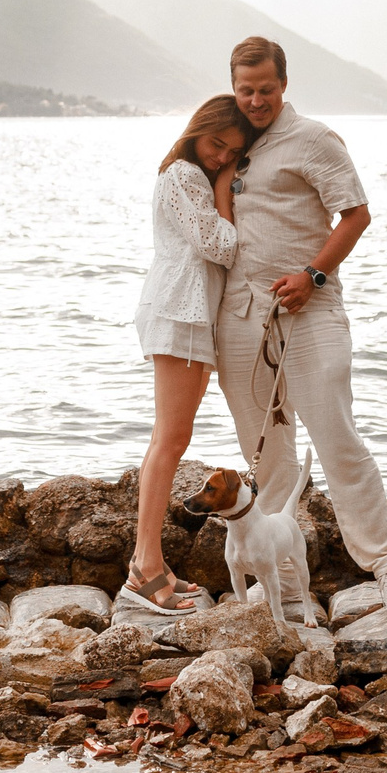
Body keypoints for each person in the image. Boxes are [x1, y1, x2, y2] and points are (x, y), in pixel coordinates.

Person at [213, 35, 387, 616]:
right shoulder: (230, 142)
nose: (255, 100)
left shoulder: (314, 138)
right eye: (245, 89)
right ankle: (280, 578)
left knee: (337, 438)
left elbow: (356, 214)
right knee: (267, 454)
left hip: (311, 307)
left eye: (265, 89)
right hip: (240, 316)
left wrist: (312, 274)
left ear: (283, 85)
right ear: (234, 88)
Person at [121, 93, 253, 615]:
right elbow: (220, 245)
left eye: (232, 153)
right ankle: (144, 569)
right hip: (178, 311)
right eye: (216, 144)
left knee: (172, 438)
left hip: (192, 314)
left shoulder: (192, 175)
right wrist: (225, 187)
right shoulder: (183, 175)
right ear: (197, 129)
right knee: (169, 440)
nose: (221, 157)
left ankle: (151, 564)